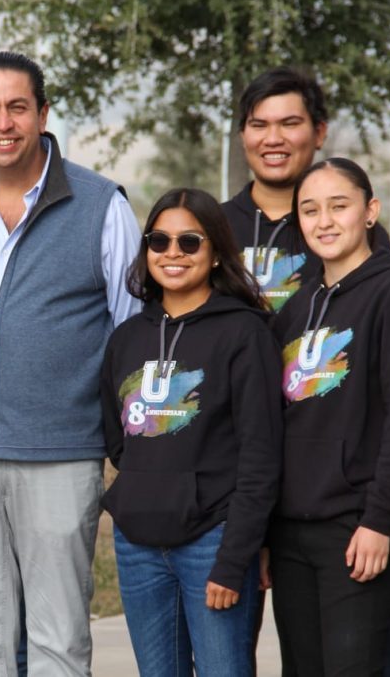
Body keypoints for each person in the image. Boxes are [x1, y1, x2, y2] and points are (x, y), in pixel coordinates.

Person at [0, 51, 141, 676]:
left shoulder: (102, 204)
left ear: (43, 114)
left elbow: (128, 332)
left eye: (18, 107)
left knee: (58, 641)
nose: (4, 123)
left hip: (60, 453)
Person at [100, 188, 282, 676]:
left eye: (189, 241)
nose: (172, 253)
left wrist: (234, 557)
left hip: (212, 541)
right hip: (137, 545)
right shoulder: (127, 338)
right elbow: (118, 441)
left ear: (216, 251)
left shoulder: (245, 333)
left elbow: (261, 455)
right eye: (159, 241)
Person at [269, 158, 390, 674]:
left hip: (357, 527)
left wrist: (379, 518)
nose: (324, 221)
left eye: (338, 206)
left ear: (370, 211)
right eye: (310, 210)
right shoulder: (297, 308)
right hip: (292, 530)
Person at [223, 68, 390, 312]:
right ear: (242, 136)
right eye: (259, 125)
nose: (273, 139)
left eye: (289, 124)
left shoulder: (355, 231)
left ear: (319, 132)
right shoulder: (213, 227)